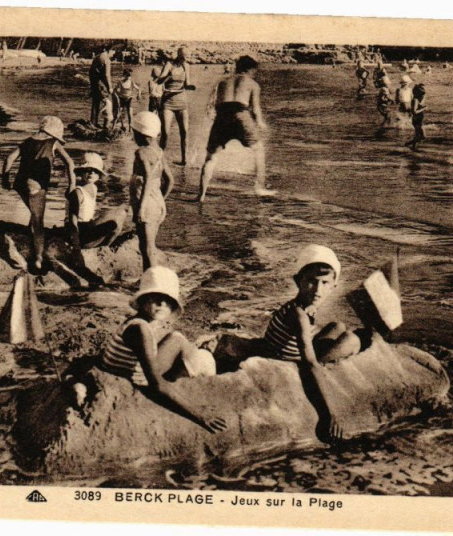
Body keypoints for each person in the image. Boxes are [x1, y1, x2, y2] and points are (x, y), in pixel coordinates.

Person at [101, 266, 226, 433]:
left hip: (128, 371)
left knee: (177, 338)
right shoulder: (140, 329)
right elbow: (156, 386)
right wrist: (199, 414)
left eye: (167, 301)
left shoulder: (137, 322)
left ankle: (192, 378)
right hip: (134, 381)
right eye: (155, 298)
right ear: (143, 300)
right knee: (204, 358)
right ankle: (195, 387)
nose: (161, 304)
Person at [213, 245, 361, 368]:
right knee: (351, 340)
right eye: (312, 281)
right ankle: (326, 368)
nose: (318, 290)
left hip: (285, 353)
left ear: (333, 287)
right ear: (298, 281)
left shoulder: (302, 307)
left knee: (338, 326)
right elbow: (309, 362)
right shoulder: (298, 314)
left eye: (325, 283)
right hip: (287, 364)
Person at [1, 116, 75, 270]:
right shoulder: (53, 143)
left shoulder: (27, 141)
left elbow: (9, 159)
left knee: (34, 212)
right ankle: (38, 258)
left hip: (20, 183)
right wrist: (72, 185)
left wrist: (5, 179)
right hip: (36, 186)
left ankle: (29, 239)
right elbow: (70, 163)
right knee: (39, 222)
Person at [197, 55, 272, 202]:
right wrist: (260, 123)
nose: (254, 74)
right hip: (240, 114)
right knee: (259, 150)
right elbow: (255, 109)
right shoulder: (253, 84)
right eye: (254, 71)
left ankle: (201, 195)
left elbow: (215, 105)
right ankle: (259, 188)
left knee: (211, 157)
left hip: (221, 117)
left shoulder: (222, 82)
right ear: (250, 69)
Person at [130, 111, 174, 271]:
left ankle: (150, 279)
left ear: (141, 134)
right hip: (158, 204)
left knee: (146, 248)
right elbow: (170, 181)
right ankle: (149, 277)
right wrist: (160, 199)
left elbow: (148, 177)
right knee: (150, 246)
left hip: (146, 206)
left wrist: (142, 208)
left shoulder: (141, 152)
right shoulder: (159, 152)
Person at [65, 152, 128, 249]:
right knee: (118, 215)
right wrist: (75, 244)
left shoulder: (93, 187)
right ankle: (103, 247)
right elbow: (72, 220)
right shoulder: (78, 192)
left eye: (95, 171)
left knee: (121, 213)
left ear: (99, 175)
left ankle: (105, 247)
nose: (92, 173)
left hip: (87, 227)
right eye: (88, 170)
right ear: (81, 172)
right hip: (79, 233)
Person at [157, 46, 193, 165]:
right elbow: (159, 81)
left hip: (182, 101)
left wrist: (190, 87)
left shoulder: (186, 66)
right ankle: (159, 160)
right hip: (168, 102)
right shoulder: (169, 64)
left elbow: (187, 83)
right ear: (179, 55)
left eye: (187, 56)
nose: (186, 59)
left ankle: (184, 160)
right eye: (184, 56)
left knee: (185, 131)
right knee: (165, 132)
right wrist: (168, 75)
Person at [89, 45, 112, 127]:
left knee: (95, 102)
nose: (113, 54)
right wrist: (110, 87)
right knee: (108, 102)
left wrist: (92, 84)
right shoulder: (106, 60)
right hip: (101, 83)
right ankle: (106, 124)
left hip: (94, 82)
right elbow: (107, 75)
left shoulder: (97, 57)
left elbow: (90, 71)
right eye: (113, 52)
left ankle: (93, 122)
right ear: (110, 51)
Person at [405, 83, 427, 150]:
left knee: (418, 135)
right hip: (417, 120)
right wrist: (424, 109)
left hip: (419, 119)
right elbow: (414, 111)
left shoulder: (417, 99)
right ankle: (409, 145)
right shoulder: (415, 100)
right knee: (422, 136)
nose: (423, 96)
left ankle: (412, 146)